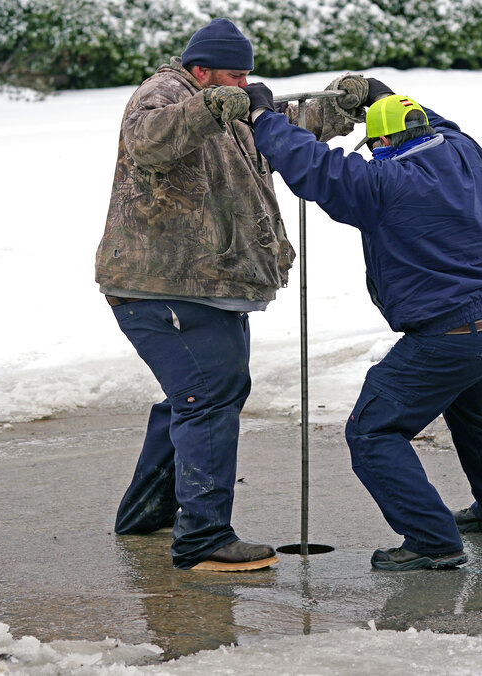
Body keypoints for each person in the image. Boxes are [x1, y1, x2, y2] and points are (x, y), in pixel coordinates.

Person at [94, 18, 365, 571]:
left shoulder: (227, 101)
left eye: (246, 76)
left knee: (200, 392)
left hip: (208, 284)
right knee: (206, 397)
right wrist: (209, 107)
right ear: (200, 71)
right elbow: (150, 138)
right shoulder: (165, 93)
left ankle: (147, 512)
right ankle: (203, 539)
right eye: (233, 76)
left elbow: (283, 121)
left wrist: (339, 104)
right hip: (163, 286)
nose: (243, 85)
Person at [244, 78, 482, 571]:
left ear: (380, 143)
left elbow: (317, 169)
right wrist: (380, 94)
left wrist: (263, 118)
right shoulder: (462, 152)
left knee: (373, 431)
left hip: (450, 335)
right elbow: (440, 123)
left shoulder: (382, 184)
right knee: (476, 414)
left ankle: (431, 540)